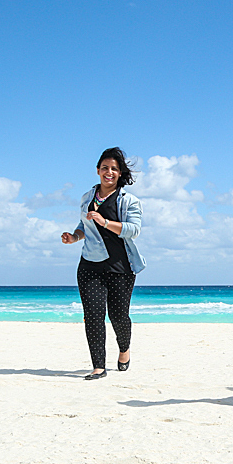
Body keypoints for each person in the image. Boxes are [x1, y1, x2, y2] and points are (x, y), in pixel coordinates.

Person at [61, 147, 146, 380]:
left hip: (120, 267)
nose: (109, 172)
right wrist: (74, 237)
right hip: (90, 265)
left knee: (119, 316)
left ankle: (124, 349)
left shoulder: (129, 201)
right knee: (93, 315)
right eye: (105, 168)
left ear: (120, 174)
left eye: (114, 169)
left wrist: (106, 221)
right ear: (98, 170)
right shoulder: (87, 198)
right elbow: (83, 228)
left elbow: (134, 230)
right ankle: (98, 366)